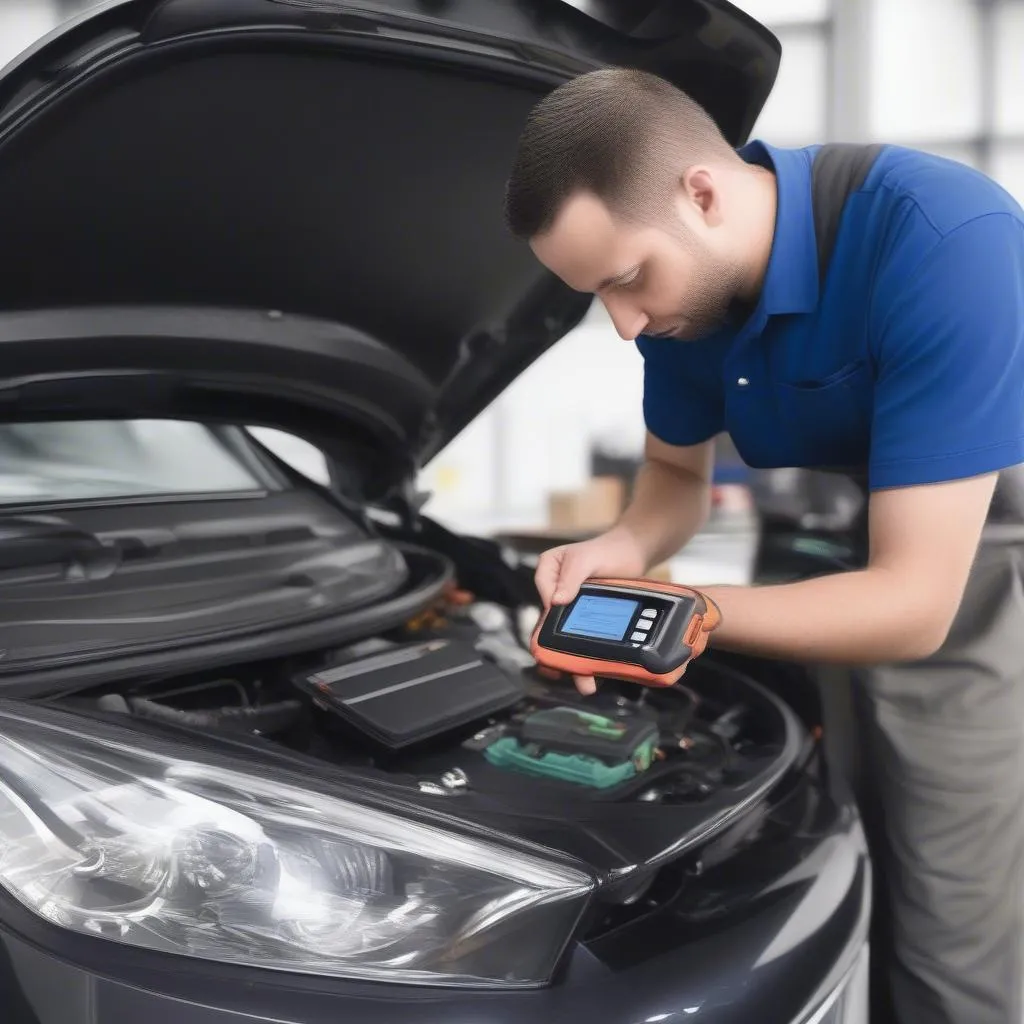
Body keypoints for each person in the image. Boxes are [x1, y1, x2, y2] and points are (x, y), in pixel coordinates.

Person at [503, 68, 1024, 1024]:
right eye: (594, 297)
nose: (624, 326)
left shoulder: (949, 241)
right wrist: (618, 544)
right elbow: (674, 485)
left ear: (702, 193)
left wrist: (686, 618)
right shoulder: (683, 299)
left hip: (985, 555)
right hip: (843, 545)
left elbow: (914, 606)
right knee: (836, 851)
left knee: (950, 911)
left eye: (625, 280)